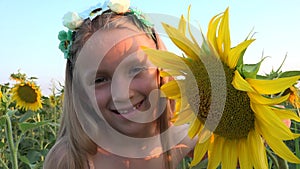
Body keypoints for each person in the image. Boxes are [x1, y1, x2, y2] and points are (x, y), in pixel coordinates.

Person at [43, 0, 196, 169]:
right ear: (80, 93)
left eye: (136, 69)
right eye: (100, 80)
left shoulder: (178, 139)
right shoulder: (69, 159)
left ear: (161, 71)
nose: (122, 94)